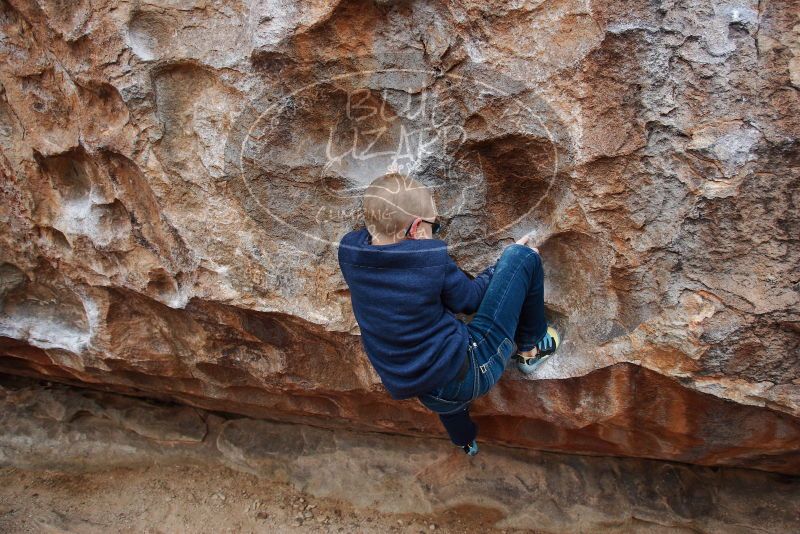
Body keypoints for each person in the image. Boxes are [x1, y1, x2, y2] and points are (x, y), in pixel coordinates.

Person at [337, 172, 560, 456]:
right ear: (417, 228)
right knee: (521, 258)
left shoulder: (349, 254)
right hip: (469, 372)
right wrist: (500, 266)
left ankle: (466, 443)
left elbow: (376, 222)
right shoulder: (429, 260)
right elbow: (469, 300)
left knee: (450, 407)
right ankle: (534, 347)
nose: (435, 232)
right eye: (435, 225)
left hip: (421, 387)